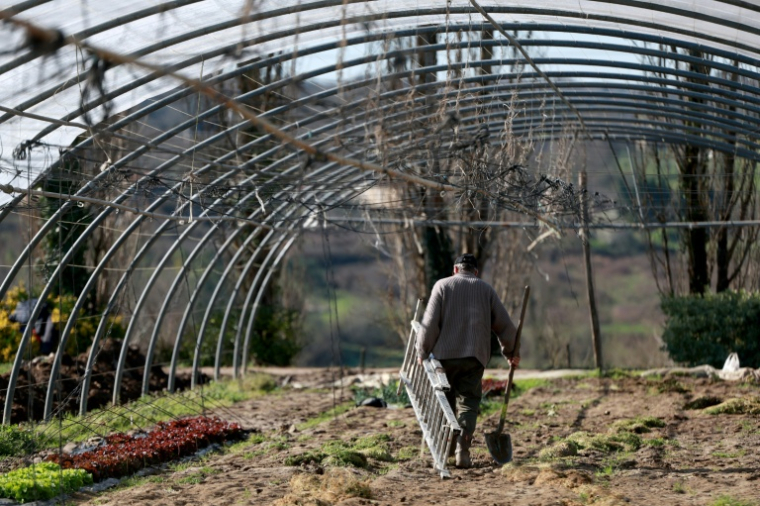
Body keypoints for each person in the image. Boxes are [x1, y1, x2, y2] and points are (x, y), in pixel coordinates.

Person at [416, 253, 520, 468]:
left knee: (445, 402)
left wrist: (422, 352)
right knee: (469, 404)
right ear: (475, 272)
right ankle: (462, 451)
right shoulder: (486, 290)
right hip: (474, 357)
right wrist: (511, 352)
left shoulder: (442, 286)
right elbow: (506, 326)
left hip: (444, 358)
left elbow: (429, 324)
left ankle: (445, 451)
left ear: (455, 270)